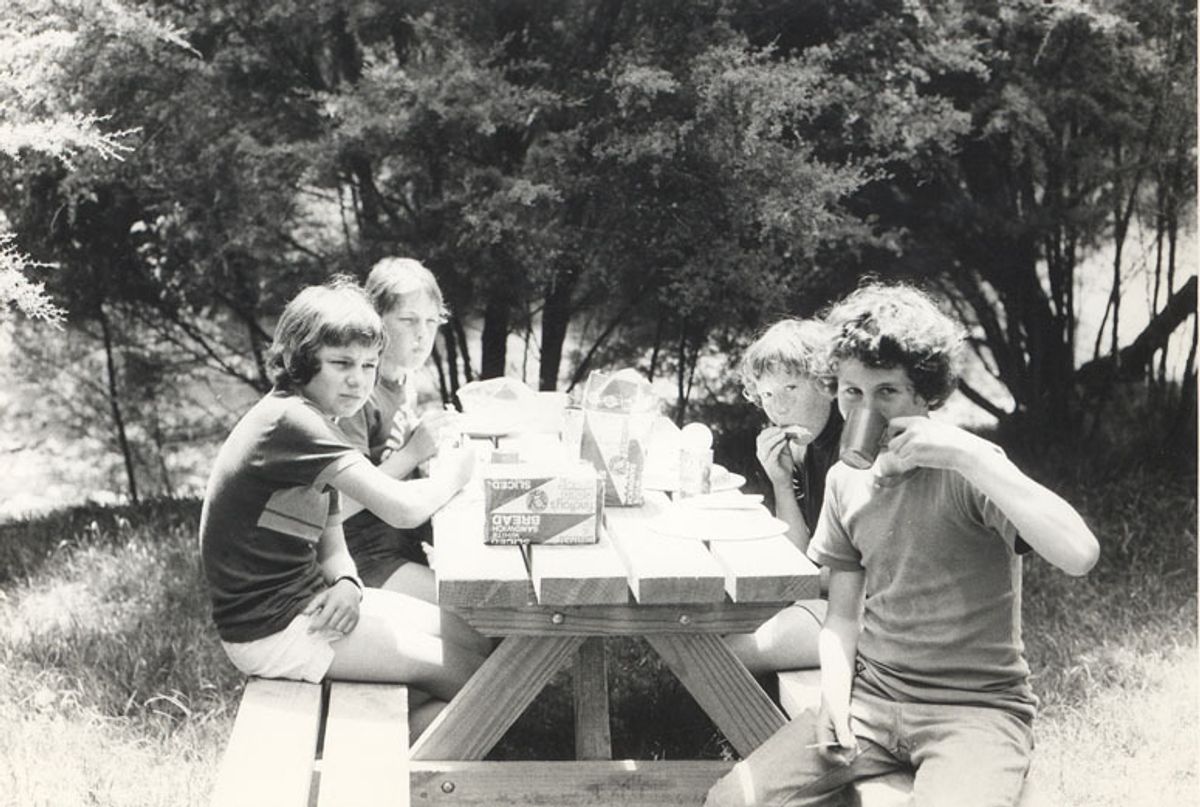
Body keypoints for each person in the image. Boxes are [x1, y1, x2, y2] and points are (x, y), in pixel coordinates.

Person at [706, 282, 1099, 807]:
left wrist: (973, 457)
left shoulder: (968, 467)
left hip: (974, 712)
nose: (866, 410)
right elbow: (840, 618)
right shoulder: (846, 481)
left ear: (925, 393)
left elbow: (1080, 553)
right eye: (852, 393)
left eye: (886, 392)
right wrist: (834, 700)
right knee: (731, 800)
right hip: (872, 700)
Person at [198, 278, 491, 738]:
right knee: (474, 676)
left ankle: (381, 734)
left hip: (310, 601)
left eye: (369, 365)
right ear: (300, 360)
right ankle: (360, 752)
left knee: (468, 636)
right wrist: (456, 474)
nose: (359, 379)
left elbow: (332, 542)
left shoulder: (317, 421)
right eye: (341, 364)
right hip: (272, 629)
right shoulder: (294, 424)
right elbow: (402, 509)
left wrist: (349, 582)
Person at [337, 257, 459, 603]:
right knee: (469, 607)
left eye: (432, 321)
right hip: (363, 557)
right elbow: (340, 505)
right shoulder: (358, 395)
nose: (423, 334)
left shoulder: (405, 378)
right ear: (375, 322)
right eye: (408, 320)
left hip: (402, 539)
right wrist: (413, 452)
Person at [725, 318, 843, 674]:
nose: (778, 407)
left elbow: (853, 574)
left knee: (722, 658)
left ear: (827, 383)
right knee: (709, 636)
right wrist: (781, 482)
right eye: (767, 395)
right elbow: (800, 557)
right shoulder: (807, 446)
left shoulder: (854, 450)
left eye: (791, 387)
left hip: (868, 617)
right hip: (829, 600)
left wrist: (773, 582)